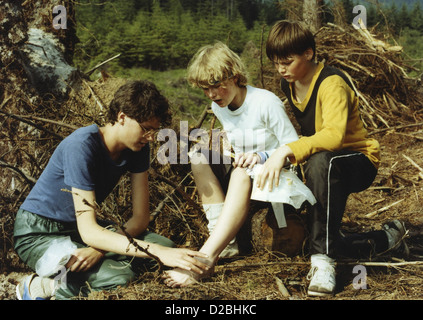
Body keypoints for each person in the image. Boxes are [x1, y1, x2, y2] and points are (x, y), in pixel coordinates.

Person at [13, 80, 210, 300]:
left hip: (80, 229)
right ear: (122, 117)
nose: (151, 137)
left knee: (165, 244)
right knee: (119, 276)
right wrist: (159, 254)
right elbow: (89, 231)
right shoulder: (81, 145)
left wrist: (99, 249)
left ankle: (67, 277)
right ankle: (45, 286)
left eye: (154, 131)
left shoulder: (138, 148)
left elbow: (140, 218)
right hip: (40, 231)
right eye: (146, 129)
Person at [259, 20, 409, 296]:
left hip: (358, 160)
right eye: (276, 62)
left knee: (321, 163)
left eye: (287, 61)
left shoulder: (331, 83)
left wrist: (287, 150)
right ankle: (385, 237)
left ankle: (323, 262)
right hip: (324, 162)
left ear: (308, 53)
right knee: (318, 202)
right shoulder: (288, 83)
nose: (281, 69)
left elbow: (334, 137)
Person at [162, 41, 299, 288]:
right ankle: (226, 240)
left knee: (240, 173)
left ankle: (205, 260)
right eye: (206, 89)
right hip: (247, 174)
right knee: (198, 156)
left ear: (234, 77)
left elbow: (294, 147)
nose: (212, 95)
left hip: (278, 175)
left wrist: (262, 157)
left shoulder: (265, 102)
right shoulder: (220, 107)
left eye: (217, 87)